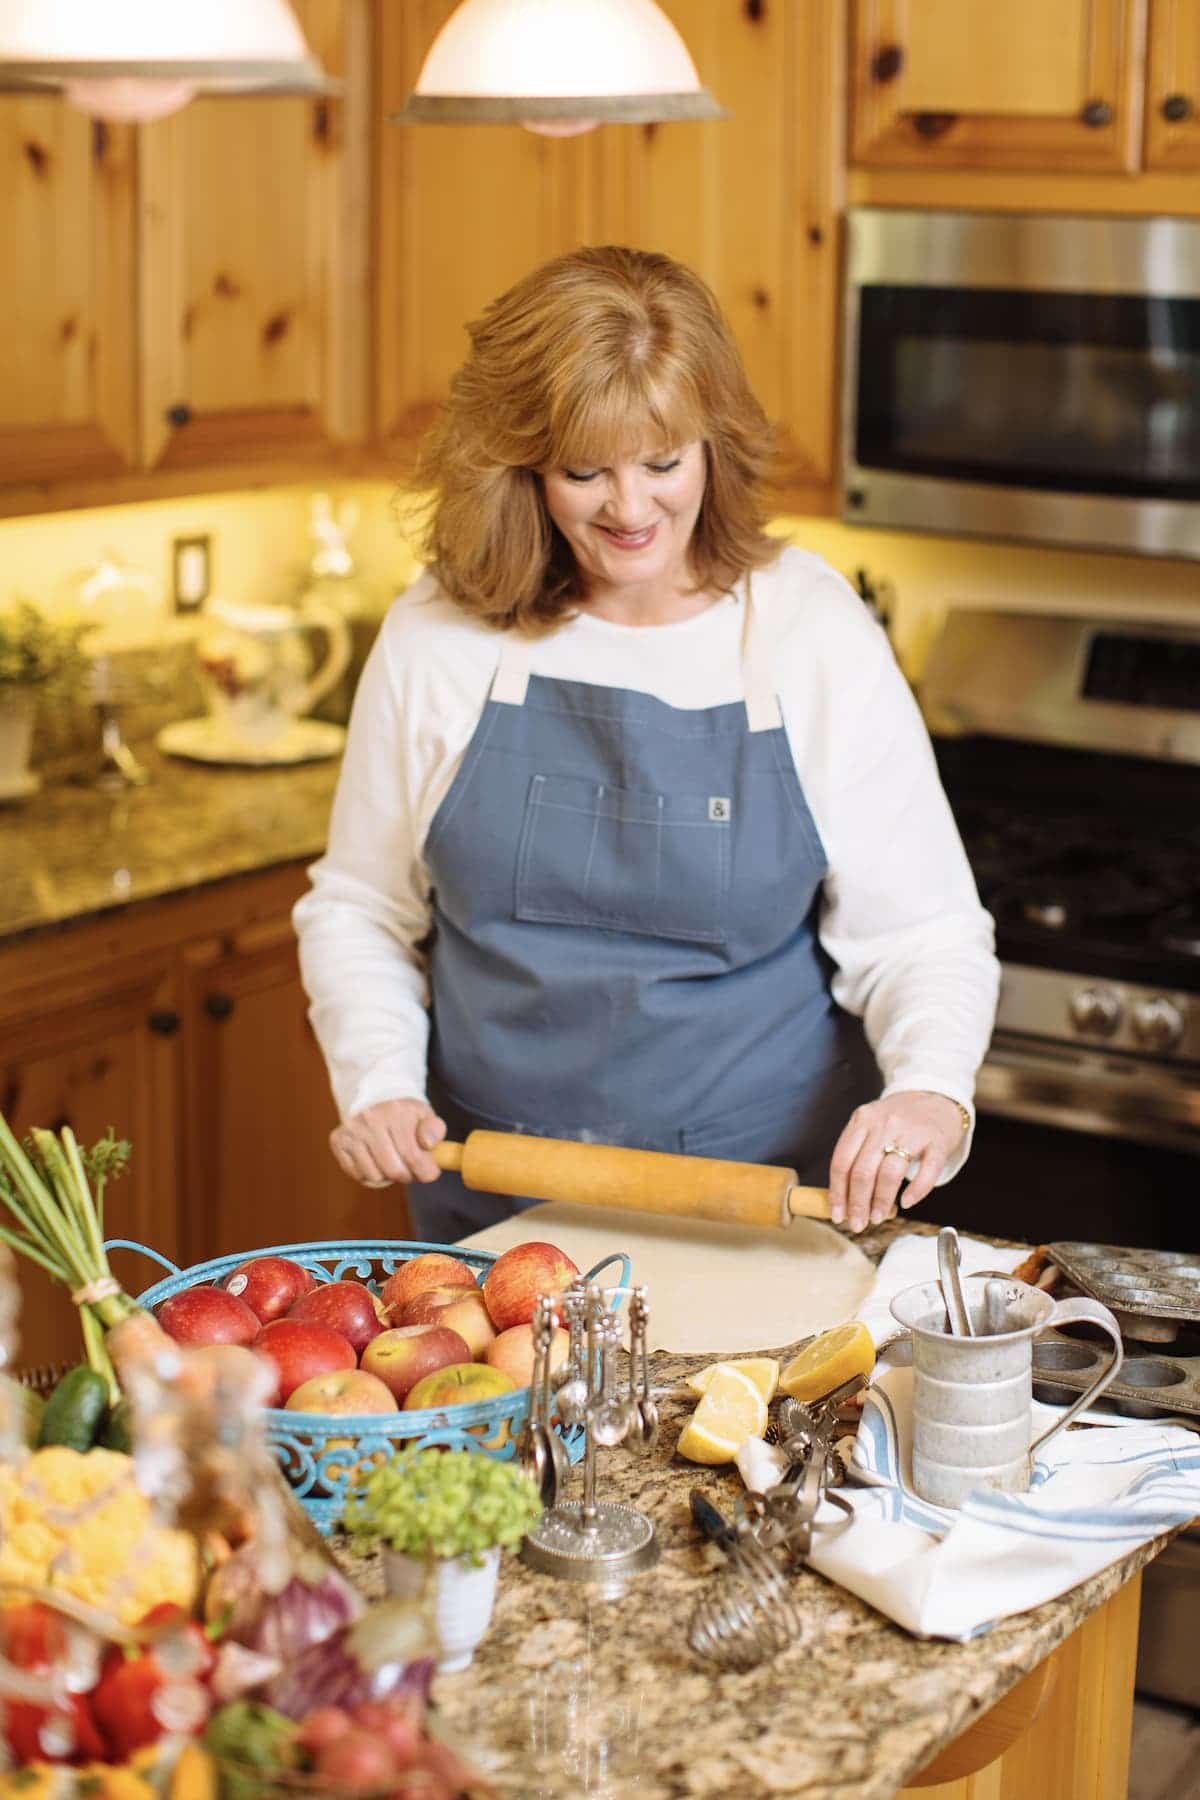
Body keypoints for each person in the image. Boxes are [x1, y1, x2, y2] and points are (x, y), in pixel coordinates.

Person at [294, 245, 999, 1242]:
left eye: (663, 463)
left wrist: (929, 1089)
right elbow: (362, 907)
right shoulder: (439, 635)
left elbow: (921, 937)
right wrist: (377, 1081)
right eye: (585, 472)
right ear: (522, 467)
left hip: (760, 1212)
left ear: (713, 444)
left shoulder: (805, 629)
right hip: (494, 1221)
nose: (630, 510)